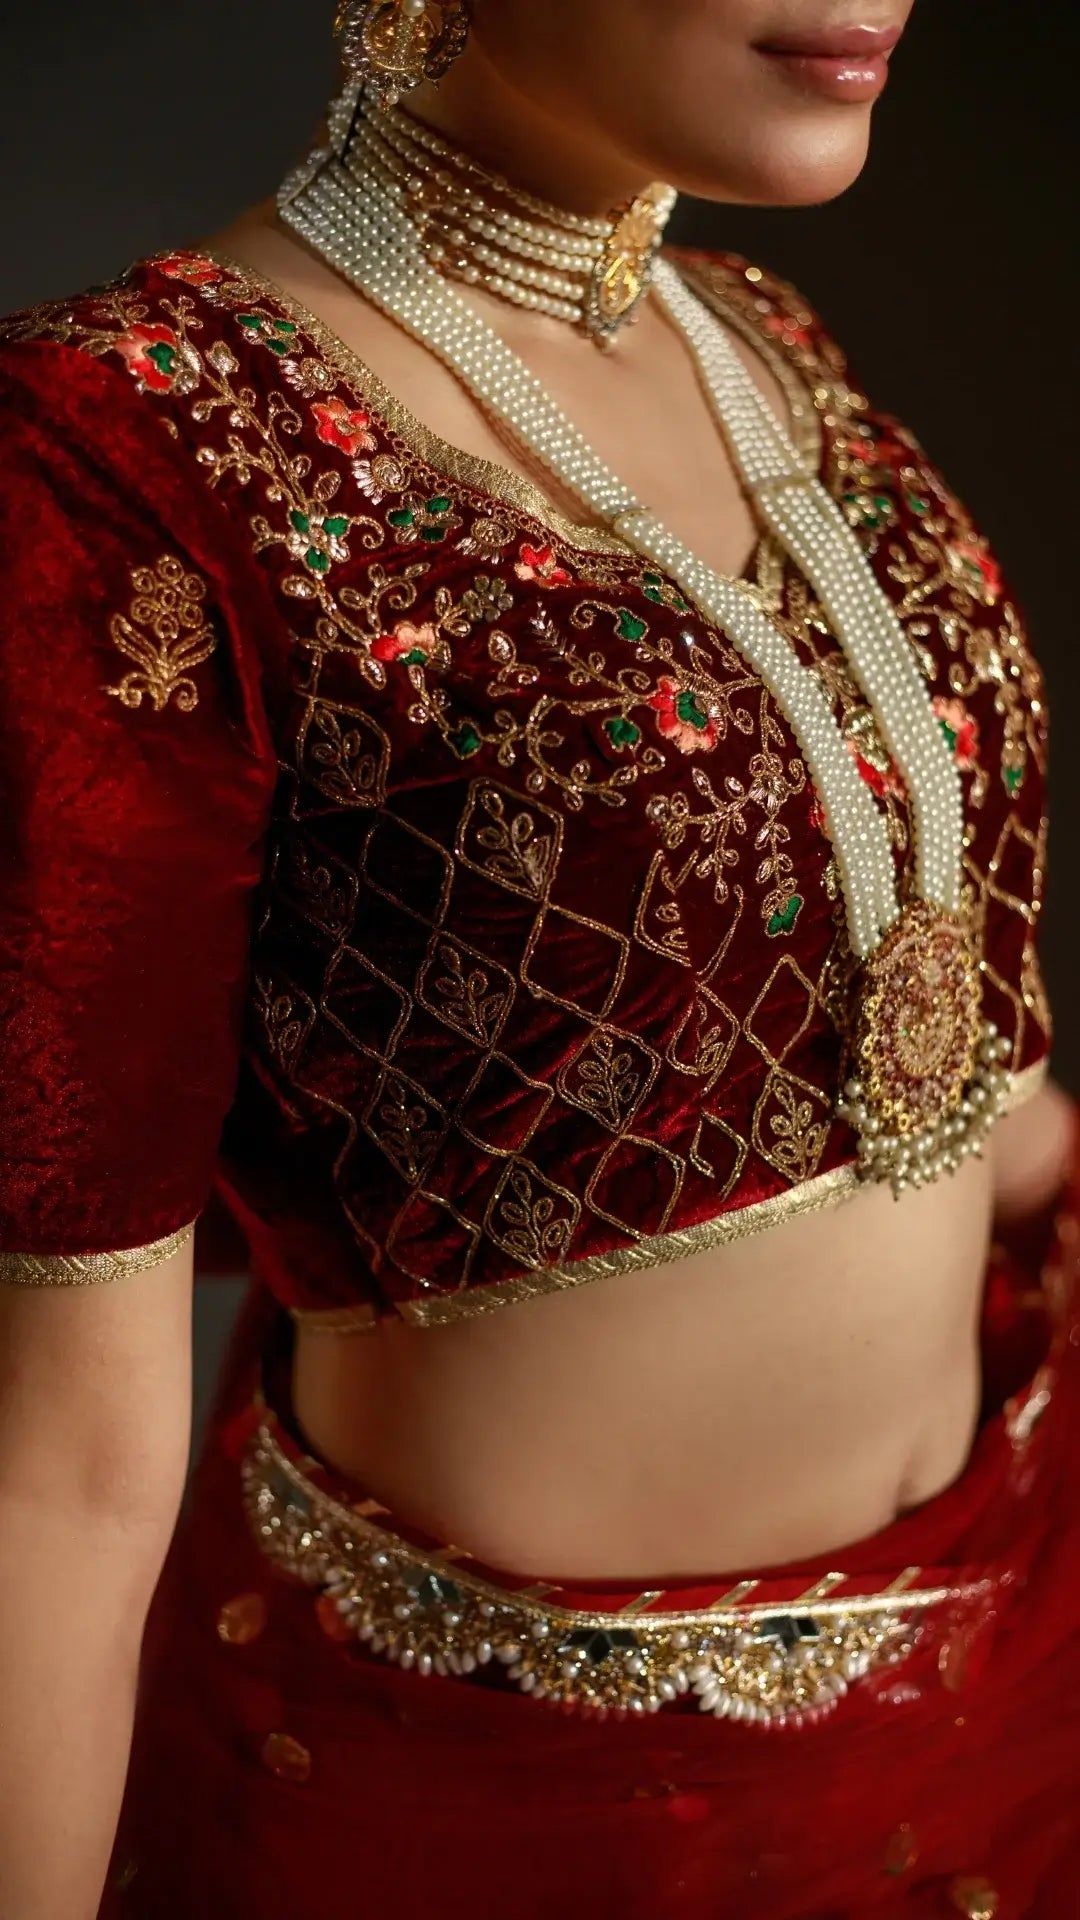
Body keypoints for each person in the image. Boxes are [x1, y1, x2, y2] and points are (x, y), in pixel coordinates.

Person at [0, 2, 1076, 1915]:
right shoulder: (129, 448)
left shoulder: (758, 338)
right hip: (499, 1791)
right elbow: (52, 1462)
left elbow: (881, 1006)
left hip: (1008, 1664)